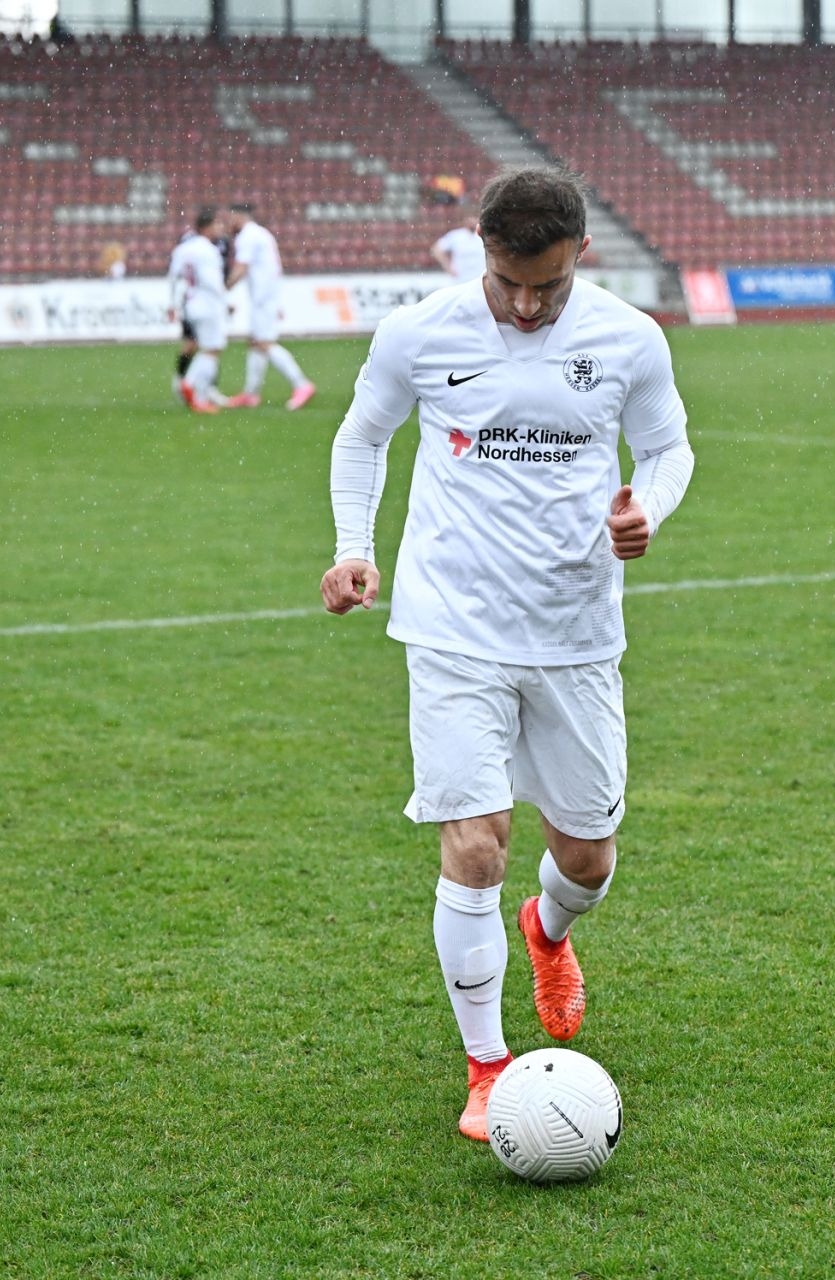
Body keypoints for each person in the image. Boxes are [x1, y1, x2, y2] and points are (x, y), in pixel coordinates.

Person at [320, 168, 695, 1143]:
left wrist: (647, 510)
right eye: (508, 284)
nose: (526, 307)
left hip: (574, 631)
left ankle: (547, 928)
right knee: (475, 841)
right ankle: (486, 1066)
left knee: (587, 858)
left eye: (548, 286)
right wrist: (354, 547)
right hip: (453, 626)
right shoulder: (418, 332)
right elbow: (363, 436)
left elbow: (667, 450)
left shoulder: (629, 339)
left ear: (583, 255)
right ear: (479, 247)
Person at [223, 203, 316, 411]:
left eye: (231, 217)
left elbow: (241, 268)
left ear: (239, 216)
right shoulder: (261, 234)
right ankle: (251, 394)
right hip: (266, 295)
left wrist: (223, 288)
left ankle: (301, 384)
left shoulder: (247, 236)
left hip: (263, 297)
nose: (229, 222)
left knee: (264, 343)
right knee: (255, 342)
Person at [165, 207, 229, 415]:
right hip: (208, 304)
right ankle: (191, 385)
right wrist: (225, 301)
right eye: (217, 224)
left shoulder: (183, 248)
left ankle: (198, 395)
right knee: (212, 350)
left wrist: (172, 305)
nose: (220, 228)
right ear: (206, 227)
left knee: (206, 348)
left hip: (191, 303)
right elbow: (211, 281)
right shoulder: (208, 250)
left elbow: (174, 276)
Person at [431, 216, 484, 283]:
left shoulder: (484, 235)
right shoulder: (456, 235)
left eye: (474, 217)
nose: (472, 221)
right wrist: (448, 267)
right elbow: (436, 250)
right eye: (469, 218)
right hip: (460, 280)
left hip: (480, 281)